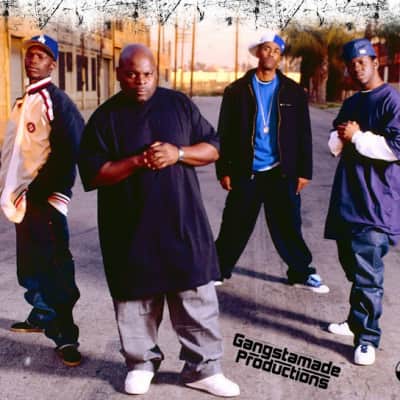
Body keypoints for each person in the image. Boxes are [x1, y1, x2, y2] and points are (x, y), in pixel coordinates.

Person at [78, 43, 240, 397]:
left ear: (156, 73)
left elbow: (213, 147)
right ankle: (140, 363)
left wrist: (177, 153)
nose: (140, 81)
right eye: (132, 74)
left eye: (147, 74)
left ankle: (203, 368)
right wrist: (137, 161)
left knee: (196, 294)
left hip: (182, 221)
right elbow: (95, 173)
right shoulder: (105, 117)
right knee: (135, 298)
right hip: (129, 226)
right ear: (119, 74)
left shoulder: (178, 104)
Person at [214, 31, 329, 293]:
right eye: (266, 49)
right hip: (246, 171)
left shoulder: (293, 92)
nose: (271, 54)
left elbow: (304, 135)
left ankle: (301, 273)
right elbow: (224, 133)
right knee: (234, 224)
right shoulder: (236, 91)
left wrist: (304, 171)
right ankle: (217, 269)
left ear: (280, 57)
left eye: (276, 51)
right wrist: (223, 170)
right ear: (258, 53)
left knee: (289, 226)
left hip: (281, 172)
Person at [0, 34, 83, 366]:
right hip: (22, 201)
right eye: (30, 54)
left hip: (44, 199)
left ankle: (65, 336)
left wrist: (45, 192)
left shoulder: (54, 100)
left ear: (52, 64)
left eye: (41, 56)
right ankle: (41, 314)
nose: (33, 60)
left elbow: (72, 148)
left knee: (54, 270)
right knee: (29, 267)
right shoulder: (24, 102)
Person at [325, 38, 400, 365]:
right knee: (352, 265)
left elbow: (396, 149)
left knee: (368, 273)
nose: (357, 68)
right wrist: (343, 137)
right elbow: (333, 143)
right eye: (352, 64)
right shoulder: (353, 102)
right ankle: (356, 319)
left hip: (375, 204)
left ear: (375, 62)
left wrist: (356, 137)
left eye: (362, 62)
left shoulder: (391, 101)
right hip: (348, 199)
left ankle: (367, 338)